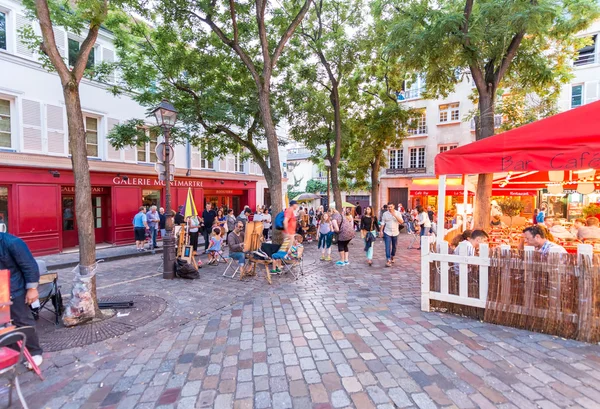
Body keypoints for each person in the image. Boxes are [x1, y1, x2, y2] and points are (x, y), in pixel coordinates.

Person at [1, 232, 43, 367]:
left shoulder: (12, 242)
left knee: (22, 320)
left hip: (14, 289)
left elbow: (29, 265)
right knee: (3, 324)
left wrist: (32, 288)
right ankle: (10, 352)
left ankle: (34, 352)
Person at [380, 203, 404, 267]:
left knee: (394, 246)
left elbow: (401, 222)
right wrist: (381, 231)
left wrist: (395, 215)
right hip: (387, 232)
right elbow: (383, 222)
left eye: (391, 207)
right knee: (387, 246)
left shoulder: (398, 213)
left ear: (393, 206)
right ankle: (388, 259)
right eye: (388, 207)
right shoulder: (385, 214)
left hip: (395, 232)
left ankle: (392, 255)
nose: (390, 208)